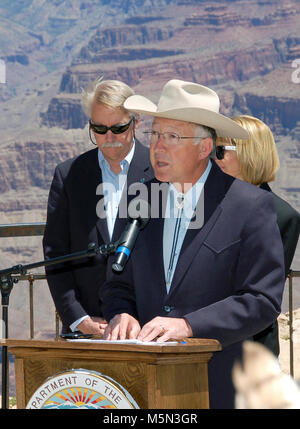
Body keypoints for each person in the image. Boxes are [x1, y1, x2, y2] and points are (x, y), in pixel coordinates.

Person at [100, 79, 286, 409]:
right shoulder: (140, 196)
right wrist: (121, 312)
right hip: (145, 386)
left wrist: (188, 325)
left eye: (172, 137)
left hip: (218, 385)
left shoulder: (249, 206)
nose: (157, 147)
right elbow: (117, 282)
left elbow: (262, 299)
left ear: (203, 148)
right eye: (155, 134)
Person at [43, 78, 154, 335]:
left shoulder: (161, 171)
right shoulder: (69, 175)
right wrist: (78, 318)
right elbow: (55, 253)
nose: (109, 137)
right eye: (99, 129)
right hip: (87, 328)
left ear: (136, 122)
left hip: (147, 329)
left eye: (119, 128)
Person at [214, 114, 300, 356]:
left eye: (221, 150)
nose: (214, 158)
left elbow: (262, 295)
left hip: (251, 348)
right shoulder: (204, 204)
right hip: (202, 341)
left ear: (249, 152)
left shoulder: (282, 215)